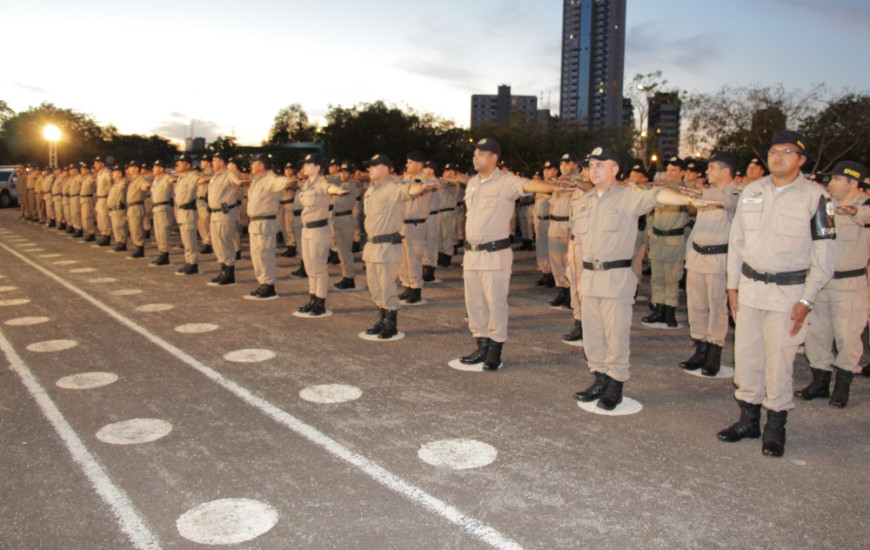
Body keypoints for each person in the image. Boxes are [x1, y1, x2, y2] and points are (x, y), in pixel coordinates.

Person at [572, 147, 720, 409]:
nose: (593, 170)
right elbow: (580, 245)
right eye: (591, 165)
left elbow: (658, 195)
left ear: (615, 169)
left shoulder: (629, 196)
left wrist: (689, 201)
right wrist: (580, 279)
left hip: (616, 277)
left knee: (615, 334)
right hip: (589, 277)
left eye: (600, 165)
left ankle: (615, 384)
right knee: (593, 334)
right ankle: (599, 377)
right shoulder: (584, 201)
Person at [718, 130, 835, 457]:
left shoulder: (816, 198)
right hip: (751, 290)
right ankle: (748, 420)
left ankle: (775, 427)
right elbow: (736, 243)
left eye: (787, 152)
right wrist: (732, 287)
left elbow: (824, 258)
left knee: (779, 364)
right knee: (747, 359)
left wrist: (807, 300)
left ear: (801, 159)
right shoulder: (752, 191)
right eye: (773, 151)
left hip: (789, 294)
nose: (777, 157)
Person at [455, 139, 576, 370]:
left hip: (494, 253)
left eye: (481, 154)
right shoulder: (472, 183)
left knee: (495, 303)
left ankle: (495, 350)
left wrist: (556, 186)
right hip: (472, 254)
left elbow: (530, 186)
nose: (475, 157)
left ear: (494, 158)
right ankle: (481, 345)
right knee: (475, 304)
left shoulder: (506, 182)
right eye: (475, 154)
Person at [798, 161, 870, 408]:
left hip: (850, 283)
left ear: (854, 182)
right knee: (817, 333)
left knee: (847, 335)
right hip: (822, 282)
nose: (831, 183)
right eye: (830, 179)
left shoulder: (865, 204)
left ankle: (842, 386)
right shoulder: (826, 204)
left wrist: (852, 211)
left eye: (837, 179)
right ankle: (820, 382)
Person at [360, 154, 437, 337]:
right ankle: (382, 319)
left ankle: (391, 323)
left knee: (387, 286)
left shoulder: (394, 186)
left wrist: (421, 187)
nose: (369, 169)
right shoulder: (371, 190)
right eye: (369, 166)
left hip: (387, 246)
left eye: (373, 166)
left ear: (385, 168)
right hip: (372, 246)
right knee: (375, 286)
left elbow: (408, 190)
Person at [678, 151, 739, 375]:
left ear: (725, 171)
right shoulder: (707, 192)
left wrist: (701, 191)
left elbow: (725, 201)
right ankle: (700, 347)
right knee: (696, 306)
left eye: (712, 168)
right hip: (697, 256)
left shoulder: (736, 192)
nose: (707, 172)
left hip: (718, 259)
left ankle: (714, 351)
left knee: (717, 308)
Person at [296, 153, 348, 315]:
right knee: (310, 267)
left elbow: (328, 188)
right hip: (306, 229)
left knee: (319, 267)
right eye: (304, 164)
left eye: (308, 164)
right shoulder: (306, 184)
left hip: (319, 230)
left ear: (317, 167)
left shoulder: (321, 182)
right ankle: (312, 299)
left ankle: (320, 301)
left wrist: (338, 190)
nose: (304, 167)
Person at [643, 156, 690, 328]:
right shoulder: (660, 190)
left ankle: (670, 312)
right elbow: (651, 215)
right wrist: (648, 237)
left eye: (674, 170)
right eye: (668, 170)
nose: (669, 174)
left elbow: (692, 209)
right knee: (657, 278)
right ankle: (659, 309)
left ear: (682, 173)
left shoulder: (686, 191)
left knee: (672, 278)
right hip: (657, 239)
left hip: (673, 240)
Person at [245, 155, 293, 299]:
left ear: (261, 165)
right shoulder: (257, 181)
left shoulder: (270, 179)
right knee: (257, 255)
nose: (251, 166)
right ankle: (262, 283)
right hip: (255, 223)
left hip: (265, 223)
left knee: (265, 255)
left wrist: (290, 181)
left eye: (253, 164)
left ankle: (269, 285)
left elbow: (282, 181)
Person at [398, 151, 432, 304]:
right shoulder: (406, 178)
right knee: (403, 259)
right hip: (403, 224)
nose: (407, 165)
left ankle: (416, 288)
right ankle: (407, 285)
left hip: (416, 223)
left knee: (414, 257)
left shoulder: (425, 178)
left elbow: (417, 185)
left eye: (410, 162)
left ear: (419, 165)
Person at [206, 152, 245, 286]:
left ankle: (229, 273)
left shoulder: (229, 174)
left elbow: (235, 180)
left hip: (225, 212)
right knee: (216, 242)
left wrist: (239, 182)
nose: (213, 163)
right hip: (215, 213)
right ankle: (223, 270)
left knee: (225, 241)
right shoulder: (215, 176)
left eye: (215, 160)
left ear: (222, 162)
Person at [547, 154, 579, 307]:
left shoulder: (579, 182)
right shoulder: (557, 182)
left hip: (568, 225)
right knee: (556, 260)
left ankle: (572, 292)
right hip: (555, 223)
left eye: (568, 163)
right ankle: (562, 289)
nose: (564, 166)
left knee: (569, 261)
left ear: (575, 164)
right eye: (562, 163)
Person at [331, 162, 359, 289]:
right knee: (341, 251)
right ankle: (345, 276)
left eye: (346, 172)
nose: (342, 174)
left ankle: (349, 277)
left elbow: (339, 185)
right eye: (341, 172)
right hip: (337, 219)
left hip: (345, 219)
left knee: (345, 252)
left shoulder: (351, 185)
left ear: (351, 174)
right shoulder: (338, 183)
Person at [172, 155, 201, 275]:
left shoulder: (192, 176)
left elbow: (201, 180)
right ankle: (188, 261)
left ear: (188, 165)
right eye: (177, 162)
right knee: (185, 239)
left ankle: (193, 263)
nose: (178, 164)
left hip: (188, 211)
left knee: (190, 239)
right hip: (181, 212)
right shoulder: (181, 178)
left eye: (181, 162)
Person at [149, 160, 174, 266]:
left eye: (156, 167)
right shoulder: (156, 180)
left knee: (163, 231)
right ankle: (161, 252)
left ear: (162, 169)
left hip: (163, 207)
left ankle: (165, 253)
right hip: (156, 208)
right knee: (158, 231)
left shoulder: (166, 178)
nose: (153, 169)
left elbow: (174, 179)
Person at [125, 161, 151, 259]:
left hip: (137, 206)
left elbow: (146, 185)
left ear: (136, 169)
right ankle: (137, 246)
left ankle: (140, 248)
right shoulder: (134, 180)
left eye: (131, 167)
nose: (129, 169)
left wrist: (147, 187)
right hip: (131, 206)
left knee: (136, 228)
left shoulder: (140, 179)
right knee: (133, 228)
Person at [106, 165, 128, 251]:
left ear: (120, 173)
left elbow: (125, 188)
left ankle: (122, 242)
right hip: (113, 209)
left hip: (119, 208)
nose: (113, 174)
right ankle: (118, 241)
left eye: (115, 172)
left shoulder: (123, 182)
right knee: (115, 226)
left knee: (120, 226)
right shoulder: (115, 183)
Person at [279, 162, 297, 258]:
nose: (288, 171)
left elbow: (292, 186)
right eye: (286, 169)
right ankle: (288, 245)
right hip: (282, 205)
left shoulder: (294, 179)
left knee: (289, 226)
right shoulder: (282, 180)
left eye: (290, 169)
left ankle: (292, 246)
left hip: (290, 203)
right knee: (283, 227)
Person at [94, 157, 113, 246]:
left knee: (104, 218)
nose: (95, 165)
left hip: (104, 198)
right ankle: (103, 234)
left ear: (102, 163)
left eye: (97, 163)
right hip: (99, 198)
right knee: (100, 218)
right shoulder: (99, 174)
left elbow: (110, 183)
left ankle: (107, 236)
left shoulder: (107, 173)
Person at [197, 155, 214, 255]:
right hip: (200, 200)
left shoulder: (211, 172)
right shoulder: (203, 173)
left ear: (208, 163)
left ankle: (208, 243)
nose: (201, 163)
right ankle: (205, 242)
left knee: (205, 222)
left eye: (203, 161)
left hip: (205, 200)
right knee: (201, 223)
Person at [79, 162, 97, 241]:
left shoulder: (90, 178)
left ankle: (91, 232)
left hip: (88, 198)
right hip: (83, 199)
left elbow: (95, 184)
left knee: (88, 216)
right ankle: (88, 232)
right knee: (84, 217)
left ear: (87, 170)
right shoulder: (84, 178)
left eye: (83, 169)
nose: (82, 171)